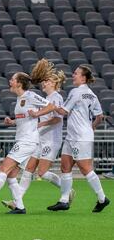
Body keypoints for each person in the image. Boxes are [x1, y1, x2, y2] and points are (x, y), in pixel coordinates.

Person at [0, 72, 55, 214]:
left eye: (13, 79)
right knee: (11, 175)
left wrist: (38, 114)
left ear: (19, 83)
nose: (10, 81)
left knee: (4, 167)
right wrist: (12, 122)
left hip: (27, 141)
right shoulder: (19, 98)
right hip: (24, 140)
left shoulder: (29, 95)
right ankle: (20, 207)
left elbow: (51, 106)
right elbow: (25, 118)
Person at [2, 59, 75, 209]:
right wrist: (14, 121)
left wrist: (40, 122)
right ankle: (17, 201)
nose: (44, 83)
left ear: (55, 84)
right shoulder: (45, 99)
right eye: (45, 81)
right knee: (28, 170)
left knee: (41, 172)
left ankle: (67, 190)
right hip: (39, 139)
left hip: (51, 140)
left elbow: (57, 119)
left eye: (47, 81)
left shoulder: (56, 97)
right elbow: (29, 116)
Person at [48, 65, 110, 212]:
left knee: (85, 168)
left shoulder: (76, 92)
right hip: (75, 136)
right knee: (65, 165)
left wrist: (49, 105)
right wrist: (92, 127)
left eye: (76, 74)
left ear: (83, 78)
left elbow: (63, 111)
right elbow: (100, 116)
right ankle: (63, 200)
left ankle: (102, 198)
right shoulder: (92, 95)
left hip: (79, 137)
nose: (73, 76)